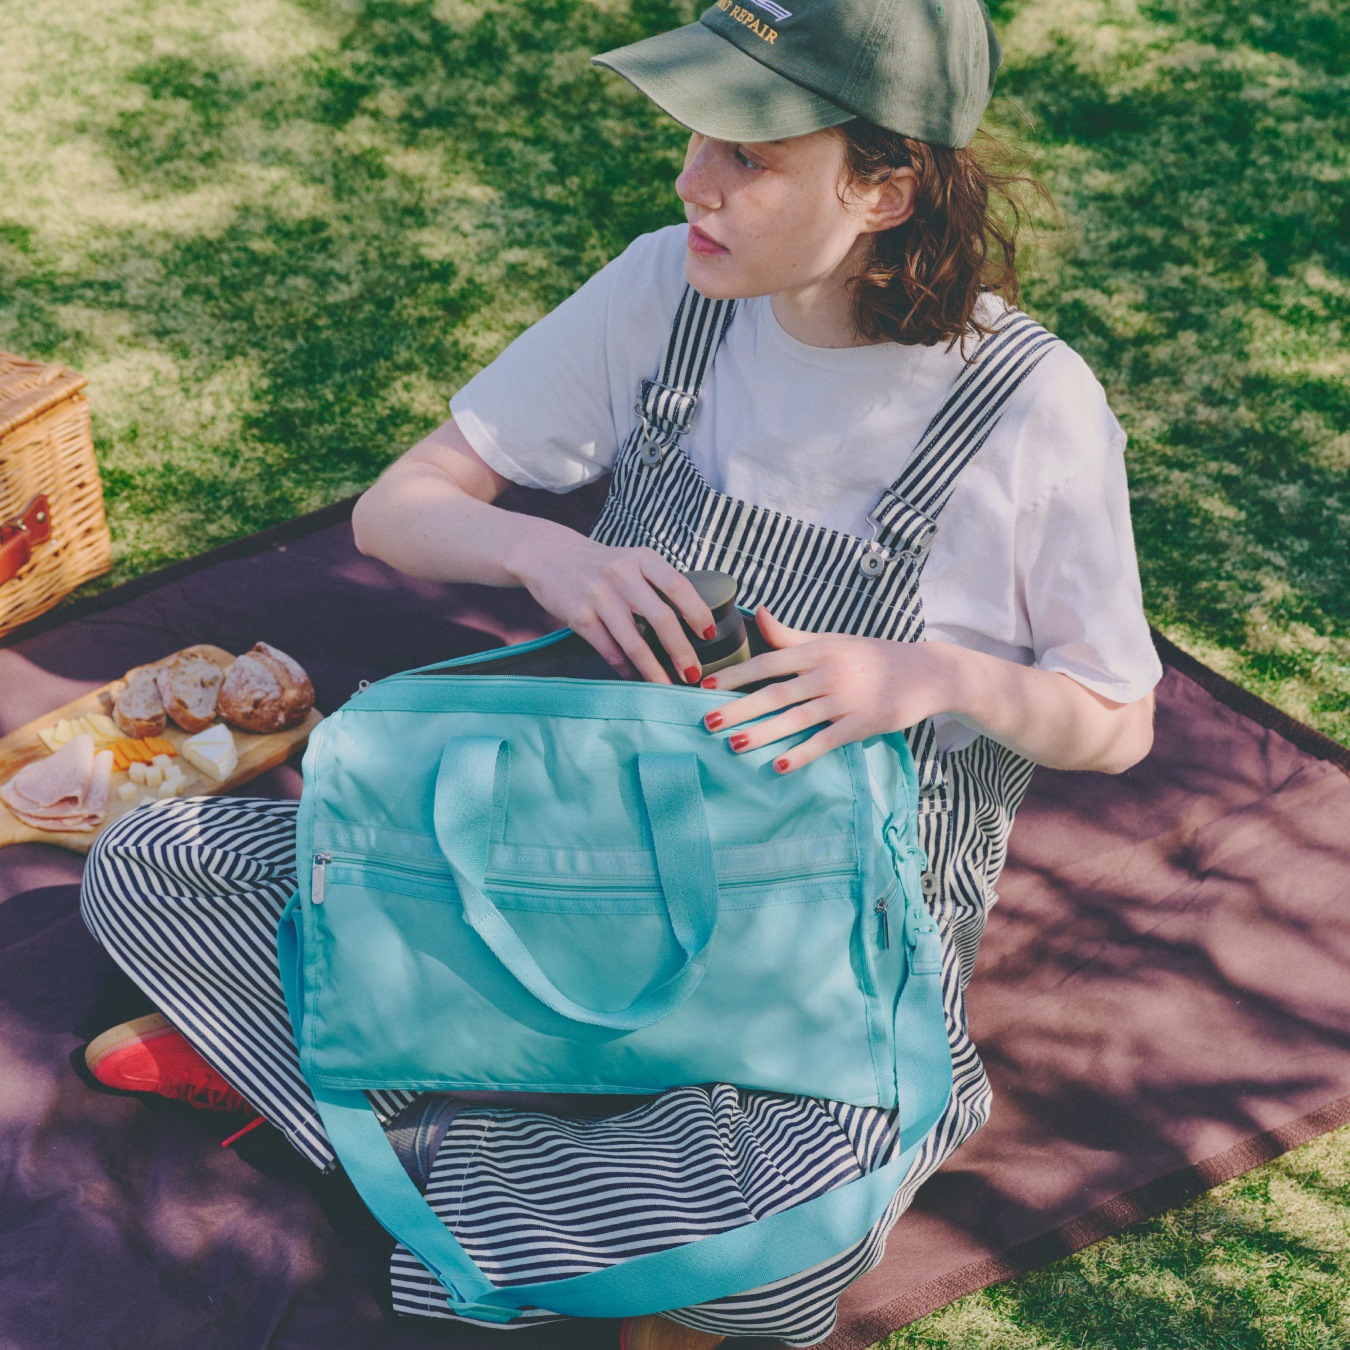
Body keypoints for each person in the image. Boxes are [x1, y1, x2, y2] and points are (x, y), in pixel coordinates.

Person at [79, 1, 1161, 1346]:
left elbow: (1115, 718)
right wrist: (545, 551)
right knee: (150, 863)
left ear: (883, 188)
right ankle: (541, 1170)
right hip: (566, 848)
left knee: (770, 1275)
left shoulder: (1026, 404)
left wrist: (933, 678)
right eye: (698, 136)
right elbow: (397, 510)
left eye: (748, 156)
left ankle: (384, 1100)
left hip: (822, 933)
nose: (692, 182)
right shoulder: (669, 285)